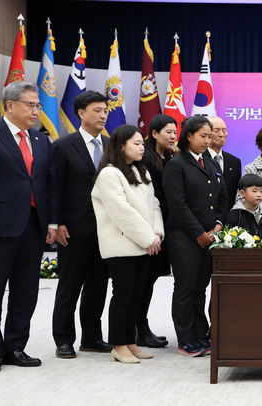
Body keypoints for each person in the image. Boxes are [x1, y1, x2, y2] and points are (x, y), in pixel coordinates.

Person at [0, 82, 59, 373]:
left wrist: (51, 221)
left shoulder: (40, 141)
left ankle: (15, 346)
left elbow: (49, 185)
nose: (36, 110)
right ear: (10, 105)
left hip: (34, 226)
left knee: (26, 292)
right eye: (31, 105)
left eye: (38, 105)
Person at [91, 125, 164, 364]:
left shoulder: (141, 171)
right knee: (123, 295)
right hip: (121, 245)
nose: (142, 147)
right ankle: (118, 345)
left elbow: (154, 205)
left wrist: (156, 234)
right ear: (121, 145)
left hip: (144, 244)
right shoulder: (109, 174)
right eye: (136, 143)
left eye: (142, 144)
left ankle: (131, 341)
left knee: (136, 295)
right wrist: (148, 238)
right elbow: (121, 212)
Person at [50, 91, 112, 359]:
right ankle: (64, 339)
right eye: (97, 110)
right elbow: (54, 189)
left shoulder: (112, 144)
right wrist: (58, 222)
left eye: (105, 111)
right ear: (81, 114)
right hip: (74, 228)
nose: (102, 115)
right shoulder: (63, 145)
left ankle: (92, 337)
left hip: (106, 228)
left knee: (98, 286)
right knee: (69, 286)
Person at [164, 115, 229, 357]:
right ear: (189, 136)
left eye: (209, 136)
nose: (208, 140)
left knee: (200, 287)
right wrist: (199, 233)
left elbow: (222, 197)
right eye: (203, 136)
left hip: (210, 237)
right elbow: (178, 205)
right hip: (185, 238)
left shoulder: (210, 163)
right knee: (185, 287)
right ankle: (185, 338)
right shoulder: (176, 165)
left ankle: (200, 334)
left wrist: (219, 225)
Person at [137, 113, 177, 348]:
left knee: (150, 280)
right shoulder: (147, 159)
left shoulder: (169, 156)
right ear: (154, 134)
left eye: (175, 132)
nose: (173, 136)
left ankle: (142, 328)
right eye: (168, 132)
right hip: (150, 227)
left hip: (164, 227)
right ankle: (138, 329)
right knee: (142, 281)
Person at [207, 116, 242, 209]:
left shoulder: (234, 161)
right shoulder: (200, 159)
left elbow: (236, 193)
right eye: (216, 130)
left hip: (228, 217)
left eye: (224, 130)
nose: (221, 134)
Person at [226, 174, 262, 239]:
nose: (259, 195)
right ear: (242, 193)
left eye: (261, 191)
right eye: (254, 191)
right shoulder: (235, 214)